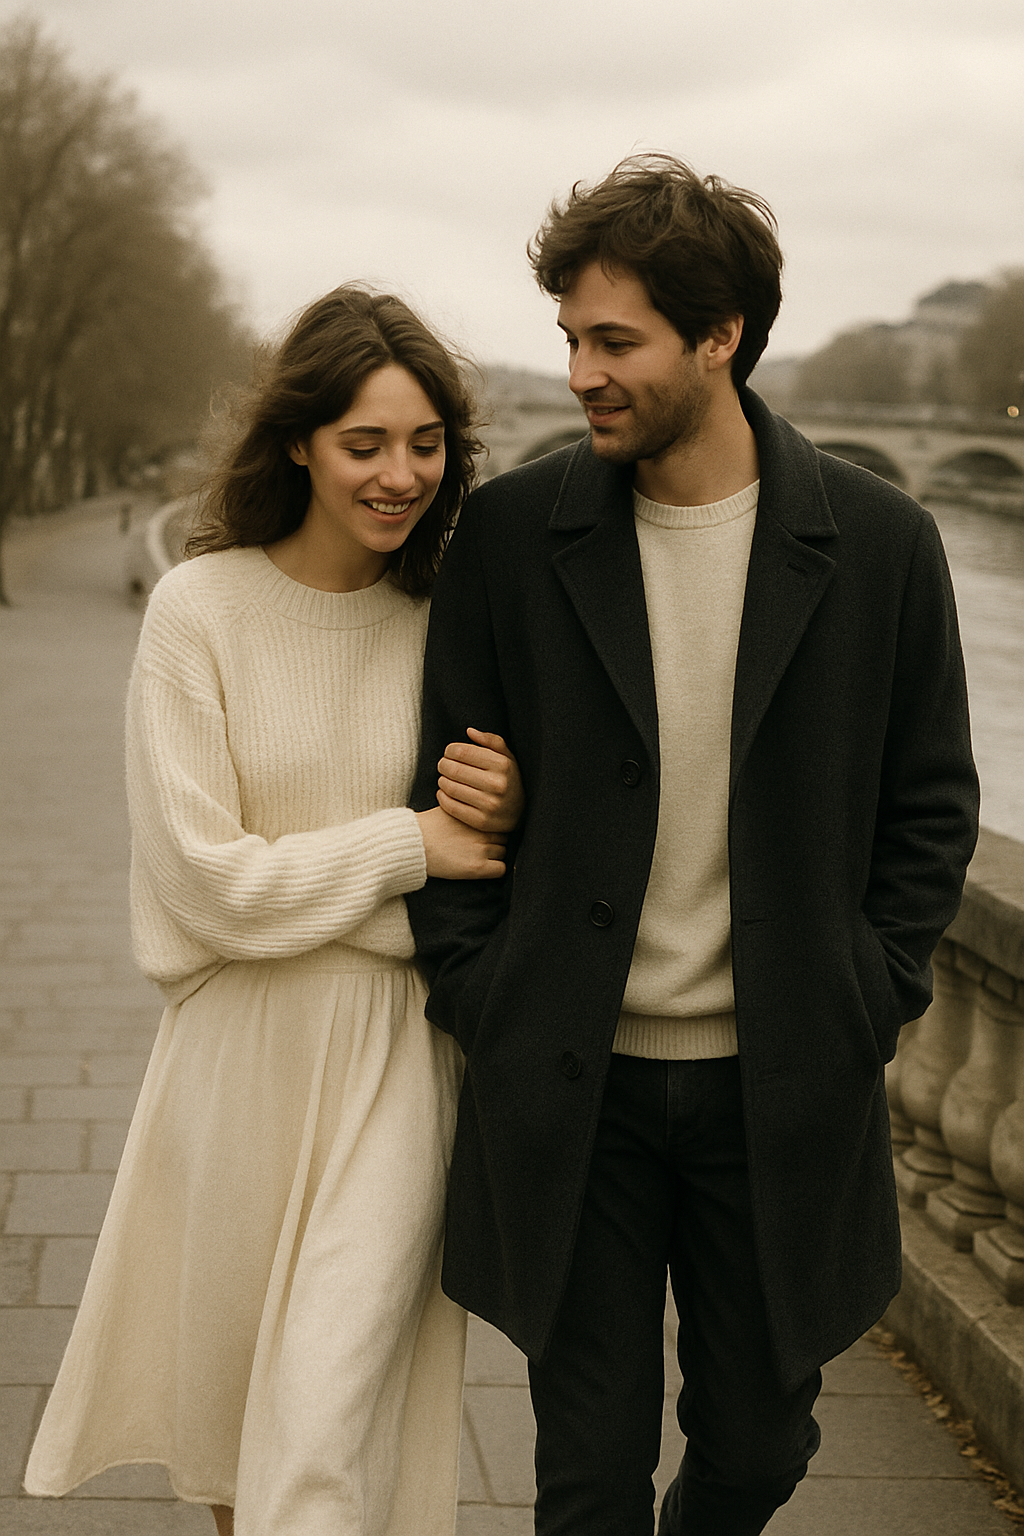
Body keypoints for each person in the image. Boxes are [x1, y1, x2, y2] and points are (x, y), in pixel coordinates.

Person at [405, 155, 980, 1536]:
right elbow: (434, 789)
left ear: (719, 336)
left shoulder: (885, 546)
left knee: (758, 1446)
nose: (583, 372)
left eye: (616, 342)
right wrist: (485, 988)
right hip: (574, 1084)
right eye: (569, 343)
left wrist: (865, 995)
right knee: (585, 1474)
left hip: (778, 1090)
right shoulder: (505, 539)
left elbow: (930, 811)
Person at [25, 285, 524, 1536]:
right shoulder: (199, 613)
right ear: (298, 440)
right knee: (245, 1450)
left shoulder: (452, 619)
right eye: (366, 443)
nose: (400, 474)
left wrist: (504, 808)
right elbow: (206, 887)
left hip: (402, 1065)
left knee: (320, 1415)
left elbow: (491, 864)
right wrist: (405, 846)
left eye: (425, 444)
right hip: (235, 1065)